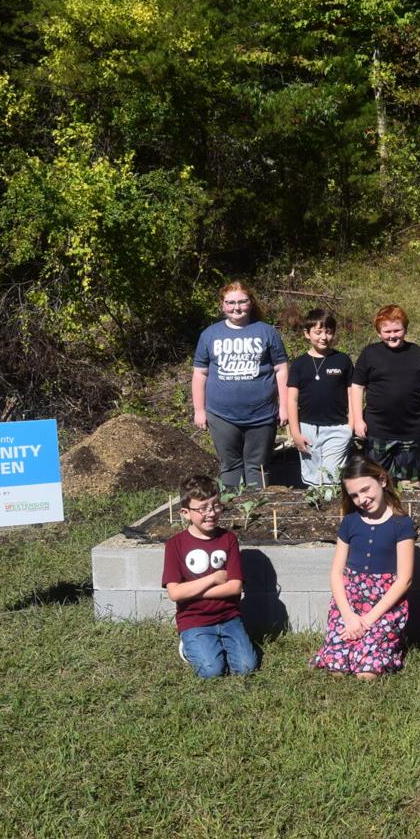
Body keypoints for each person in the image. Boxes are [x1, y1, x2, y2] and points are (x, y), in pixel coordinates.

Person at [310, 455, 417, 678]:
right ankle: (349, 646)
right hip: (351, 602)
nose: (362, 499)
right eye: (355, 495)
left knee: (367, 672)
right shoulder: (350, 522)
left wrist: (368, 620)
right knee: (336, 667)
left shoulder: (401, 524)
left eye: (366, 489)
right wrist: (348, 616)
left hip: (384, 606)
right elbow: (336, 573)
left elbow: (404, 579)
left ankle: (386, 648)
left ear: (383, 481)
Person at [192, 281, 288, 489]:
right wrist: (199, 410)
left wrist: (284, 406)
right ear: (222, 305)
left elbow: (281, 369)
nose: (237, 307)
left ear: (251, 303)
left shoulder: (266, 332)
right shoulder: (210, 334)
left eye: (242, 301)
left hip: (262, 415)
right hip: (221, 415)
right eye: (230, 302)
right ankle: (232, 511)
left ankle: (256, 512)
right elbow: (200, 373)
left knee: (258, 466)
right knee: (230, 464)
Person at [162, 475, 258, 679]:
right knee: (211, 671)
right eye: (202, 508)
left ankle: (217, 644)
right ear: (185, 513)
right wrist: (213, 578)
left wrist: (190, 591)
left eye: (215, 506)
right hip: (194, 619)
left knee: (246, 668)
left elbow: (234, 588)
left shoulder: (228, 539)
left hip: (229, 617)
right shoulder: (175, 545)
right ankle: (188, 647)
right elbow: (175, 593)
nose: (211, 513)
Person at [349, 305, 420, 483]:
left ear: (405, 330)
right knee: (376, 482)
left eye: (397, 330)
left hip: (411, 429)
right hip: (378, 428)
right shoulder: (370, 354)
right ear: (379, 333)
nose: (392, 335)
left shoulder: (416, 352)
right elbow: (357, 387)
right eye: (387, 331)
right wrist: (358, 419)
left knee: (409, 484)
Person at [286, 308, 354, 488]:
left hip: (338, 428)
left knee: (331, 478)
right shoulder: (299, 364)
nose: (323, 337)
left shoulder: (343, 360)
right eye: (318, 332)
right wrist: (295, 433)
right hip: (307, 429)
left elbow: (351, 395)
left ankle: (334, 512)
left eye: (328, 332)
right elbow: (291, 400)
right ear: (307, 334)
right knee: (312, 478)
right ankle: (319, 513)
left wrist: (350, 427)